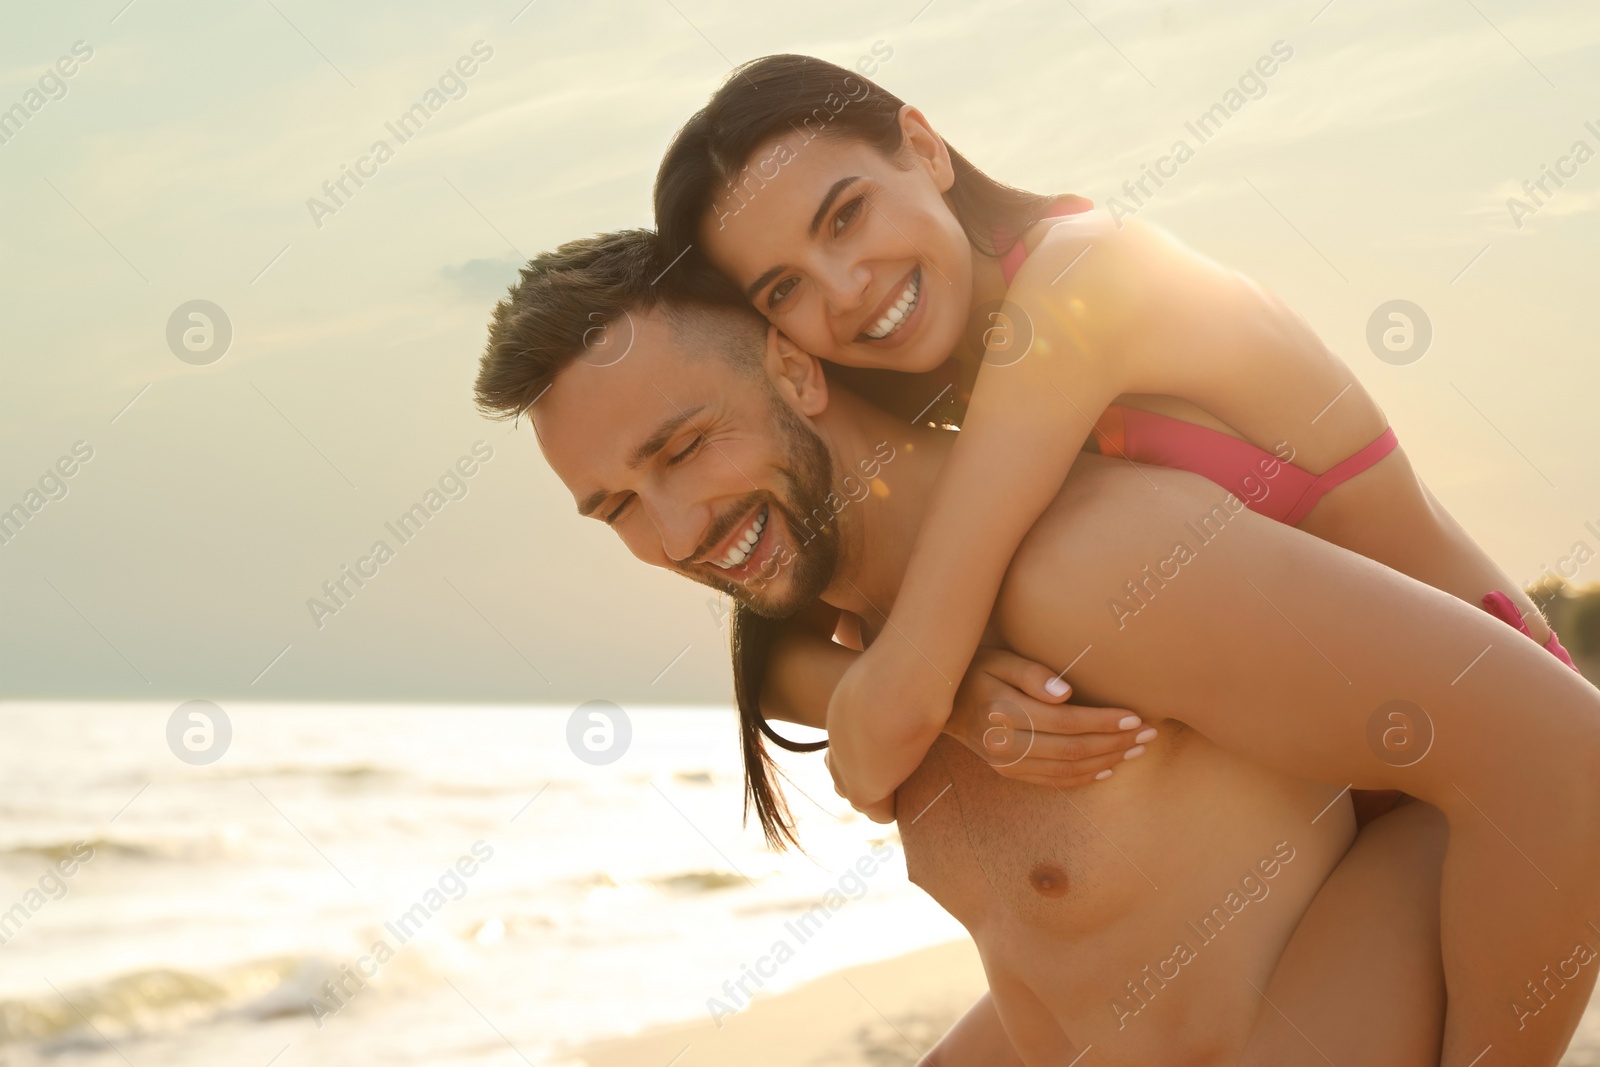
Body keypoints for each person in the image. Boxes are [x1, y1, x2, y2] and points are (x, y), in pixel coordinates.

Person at [473, 229, 1600, 1064]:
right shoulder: (862, 646)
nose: (672, 534)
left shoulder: (1095, 565)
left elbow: (1564, 757)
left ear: (796, 369)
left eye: (682, 448)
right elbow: (1077, 971)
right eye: (615, 506)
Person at [652, 54, 1578, 820]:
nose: (844, 288)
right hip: (1349, 821)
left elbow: (905, 680)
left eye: (845, 215)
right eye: (784, 290)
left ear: (924, 148)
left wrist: (913, 699)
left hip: (1514, 761)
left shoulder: (1087, 283)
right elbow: (784, 640)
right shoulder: (930, 395)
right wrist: (955, 707)